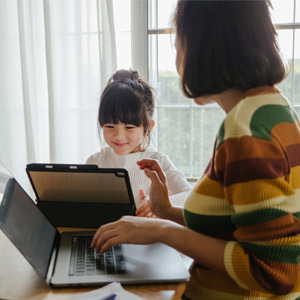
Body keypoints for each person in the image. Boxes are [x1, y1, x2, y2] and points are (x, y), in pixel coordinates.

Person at [91, 1, 300, 299]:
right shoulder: (267, 110)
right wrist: (166, 211)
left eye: (178, 44)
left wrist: (160, 230)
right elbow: (232, 226)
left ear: (205, 47)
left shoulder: (247, 130)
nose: (176, 59)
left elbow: (272, 272)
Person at [86, 69, 192, 217]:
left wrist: (159, 204)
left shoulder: (159, 161)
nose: (119, 135)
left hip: (148, 238)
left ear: (147, 128)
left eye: (129, 127)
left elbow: (190, 196)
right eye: (109, 126)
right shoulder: (95, 162)